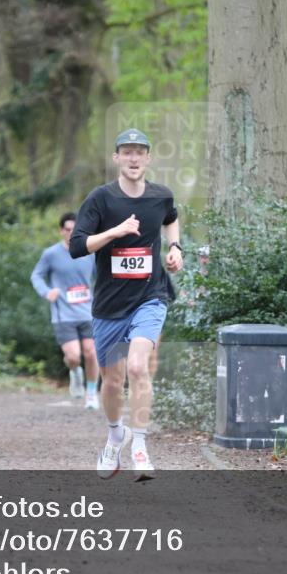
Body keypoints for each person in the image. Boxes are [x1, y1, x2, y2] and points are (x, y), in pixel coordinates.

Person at [69, 128, 182, 481]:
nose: (133, 158)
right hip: (108, 305)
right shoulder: (100, 199)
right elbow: (77, 246)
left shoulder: (160, 196)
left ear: (148, 158)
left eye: (140, 152)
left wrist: (176, 248)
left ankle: (140, 447)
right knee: (112, 383)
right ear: (116, 158)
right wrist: (114, 232)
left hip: (150, 297)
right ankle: (116, 434)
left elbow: (171, 218)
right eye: (127, 152)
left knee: (138, 367)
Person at [30, 212, 99, 409]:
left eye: (75, 230)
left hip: (88, 312)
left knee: (91, 352)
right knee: (73, 356)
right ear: (62, 231)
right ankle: (75, 372)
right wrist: (46, 291)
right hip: (63, 314)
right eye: (67, 230)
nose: (71, 233)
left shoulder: (90, 252)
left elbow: (101, 278)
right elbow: (36, 276)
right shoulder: (51, 254)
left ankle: (92, 393)